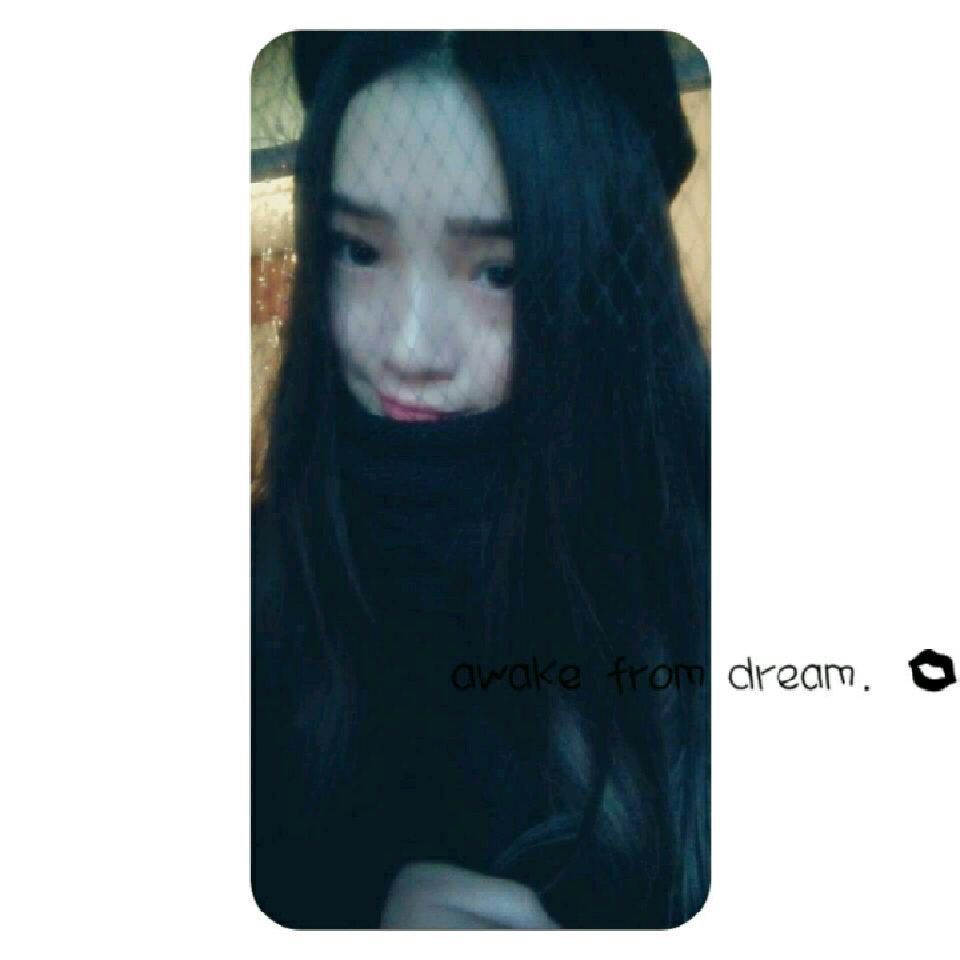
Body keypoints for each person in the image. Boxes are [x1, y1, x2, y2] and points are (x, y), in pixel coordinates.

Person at [252, 30, 710, 930]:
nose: (408, 348)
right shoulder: (249, 591)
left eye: (499, 272)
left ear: (604, 289)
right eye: (357, 250)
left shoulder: (709, 575)